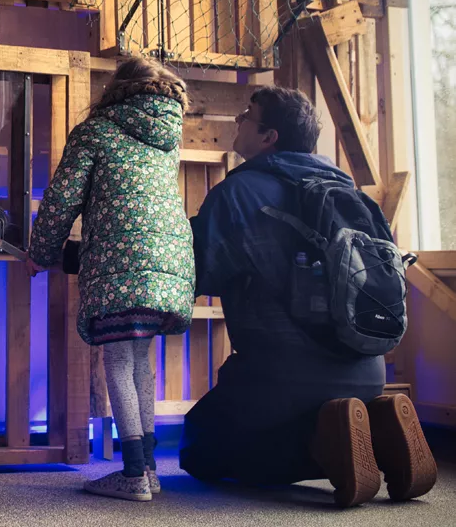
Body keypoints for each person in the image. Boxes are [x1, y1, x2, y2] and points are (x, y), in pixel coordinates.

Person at [181, 86, 437, 506]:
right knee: (256, 422)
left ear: (269, 137)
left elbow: (201, 273)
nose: (238, 120)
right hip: (370, 370)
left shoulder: (238, 193)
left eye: (247, 115)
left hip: (284, 375)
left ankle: (327, 437)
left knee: (199, 448)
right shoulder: (354, 197)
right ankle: (377, 421)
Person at [28, 57, 195, 502]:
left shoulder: (95, 131)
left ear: (115, 89)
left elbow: (62, 200)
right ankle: (150, 470)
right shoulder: (167, 137)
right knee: (140, 360)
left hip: (123, 258)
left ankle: (134, 474)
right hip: (171, 259)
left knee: (119, 360)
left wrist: (40, 253)